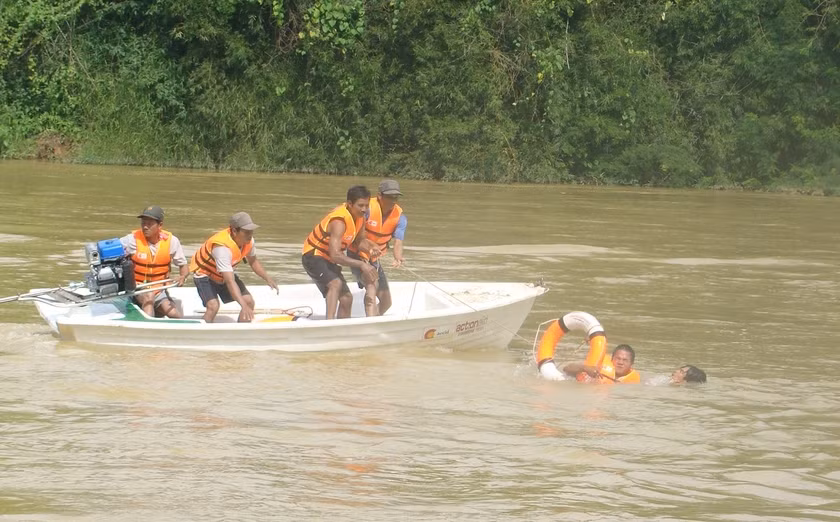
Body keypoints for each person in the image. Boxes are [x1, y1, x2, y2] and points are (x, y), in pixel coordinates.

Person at [302, 185, 380, 319]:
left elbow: (359, 242)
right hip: (313, 256)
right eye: (360, 205)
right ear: (350, 204)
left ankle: (342, 328)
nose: (364, 209)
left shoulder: (360, 218)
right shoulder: (339, 221)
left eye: (366, 205)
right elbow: (336, 254)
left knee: (346, 299)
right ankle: (329, 323)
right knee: (335, 283)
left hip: (328, 259)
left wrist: (370, 248)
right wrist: (362, 265)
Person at [189, 212, 278, 323]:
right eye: (246, 232)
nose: (250, 235)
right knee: (213, 306)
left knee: (249, 302)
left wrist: (268, 278)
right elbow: (230, 281)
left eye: (251, 231)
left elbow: (253, 261)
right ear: (235, 231)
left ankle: (241, 332)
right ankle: (200, 335)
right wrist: (243, 305)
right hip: (205, 275)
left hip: (224, 275)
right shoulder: (222, 248)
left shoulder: (249, 241)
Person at [346, 179, 407, 315]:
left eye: (396, 197)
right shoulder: (366, 209)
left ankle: (373, 321)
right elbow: (357, 237)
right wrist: (369, 247)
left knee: (386, 302)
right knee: (372, 285)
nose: (393, 200)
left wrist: (398, 257)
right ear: (380, 196)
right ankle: (370, 323)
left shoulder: (400, 217)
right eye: (390, 197)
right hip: (357, 254)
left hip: (374, 258)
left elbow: (398, 241)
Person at [119, 205, 189, 318]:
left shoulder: (172, 242)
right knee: (149, 296)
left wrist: (182, 277)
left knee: (174, 314)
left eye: (149, 224)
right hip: (137, 288)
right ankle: (147, 330)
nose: (145, 227)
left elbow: (184, 266)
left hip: (158, 289)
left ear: (160, 225)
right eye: (143, 223)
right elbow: (110, 250)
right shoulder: (131, 240)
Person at [562, 344, 641, 383]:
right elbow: (566, 369)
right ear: (612, 359)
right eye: (618, 358)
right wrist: (585, 368)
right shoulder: (597, 365)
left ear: (631, 364)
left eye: (625, 360)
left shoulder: (633, 381)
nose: (620, 362)